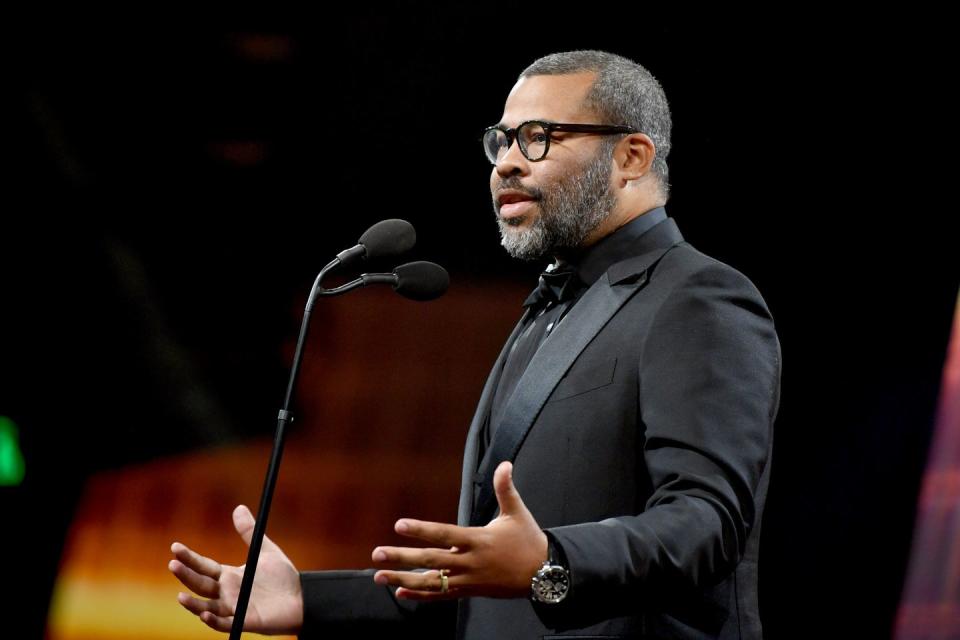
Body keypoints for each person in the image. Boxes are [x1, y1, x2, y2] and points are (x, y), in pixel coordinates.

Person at [168, 49, 782, 639]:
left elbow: (707, 522)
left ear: (630, 156)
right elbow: (481, 581)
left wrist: (552, 560)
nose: (507, 163)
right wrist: (311, 598)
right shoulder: (550, 312)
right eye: (502, 140)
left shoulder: (696, 297)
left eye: (539, 137)